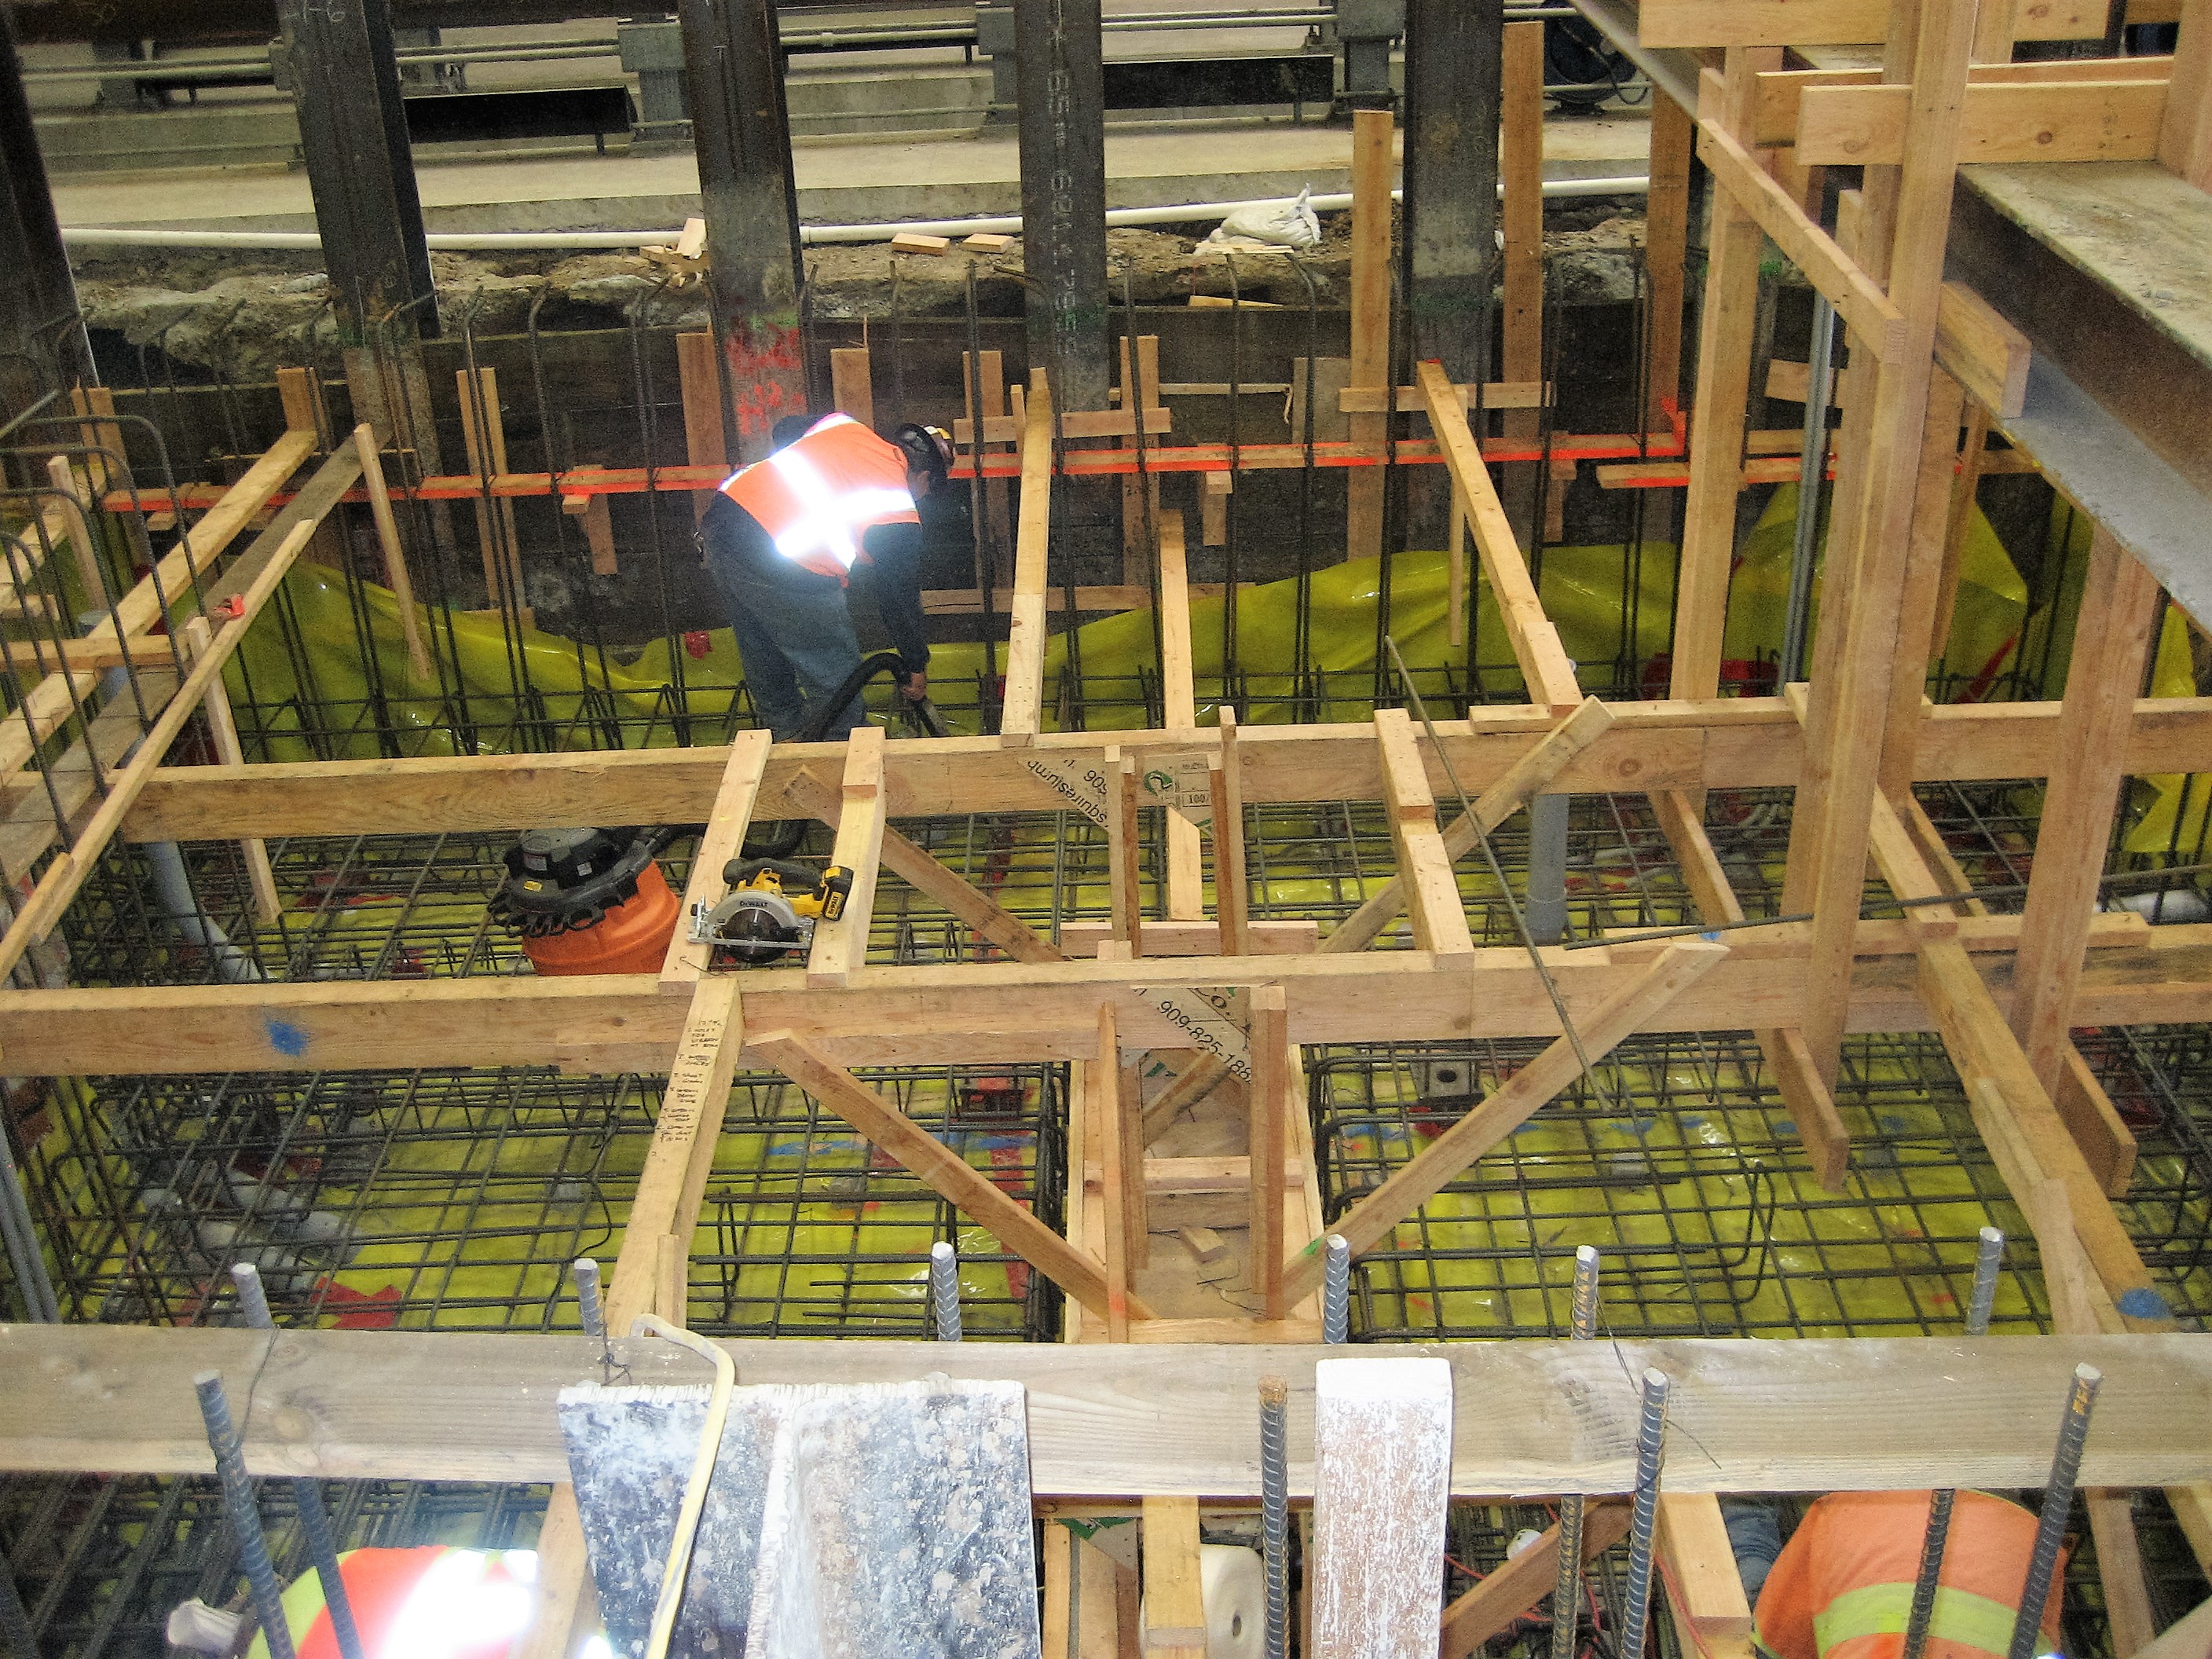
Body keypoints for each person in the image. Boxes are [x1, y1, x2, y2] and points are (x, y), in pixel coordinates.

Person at [700, 410, 951, 742]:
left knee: (763, 648)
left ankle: (784, 733)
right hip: (785, 559)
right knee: (834, 674)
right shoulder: (896, 505)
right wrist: (916, 663)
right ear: (925, 476)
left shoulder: (845, 427)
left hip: (722, 523)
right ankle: (841, 750)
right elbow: (898, 597)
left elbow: (786, 428)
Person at [1746, 1490, 2067, 1659]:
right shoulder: (1840, 1512)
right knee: (1751, 1561)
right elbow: (1780, 1637)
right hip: (1862, 1511)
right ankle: (1744, 1507)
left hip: (2017, 1528)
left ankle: (1744, 1507)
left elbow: (1781, 1637)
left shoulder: (2042, 1545)